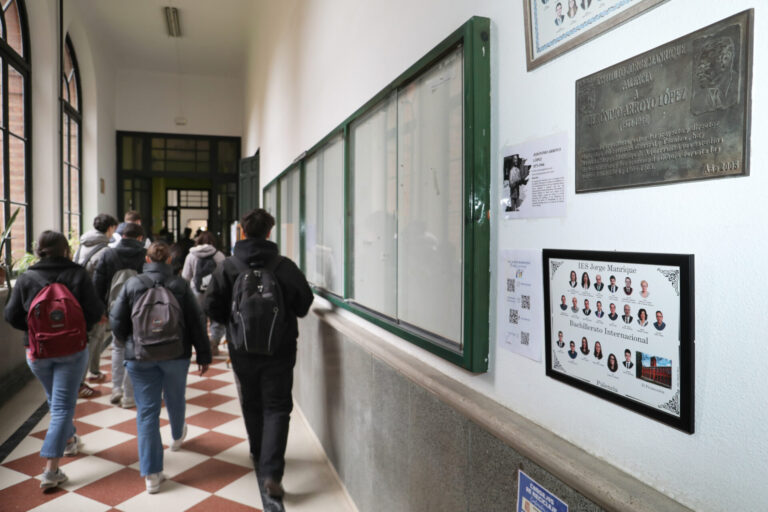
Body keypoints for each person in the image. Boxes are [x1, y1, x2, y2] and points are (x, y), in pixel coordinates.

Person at [204, 208, 314, 499]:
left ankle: (257, 450)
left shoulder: (228, 266)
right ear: (269, 232)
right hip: (280, 348)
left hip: (241, 348)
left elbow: (210, 305)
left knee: (251, 400)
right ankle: (272, 472)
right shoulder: (284, 266)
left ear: (242, 231)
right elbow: (304, 304)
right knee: (277, 406)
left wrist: (233, 324)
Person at [109, 241, 212, 494]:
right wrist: (204, 354)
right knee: (176, 397)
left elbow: (117, 320)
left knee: (147, 412)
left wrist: (129, 341)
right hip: (176, 354)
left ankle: (152, 475)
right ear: (169, 261)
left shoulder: (133, 284)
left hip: (140, 357)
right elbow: (197, 321)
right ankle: (177, 436)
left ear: (147, 260)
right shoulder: (180, 285)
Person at [4, 231, 104, 489]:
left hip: (37, 352)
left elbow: (11, 315)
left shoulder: (27, 277)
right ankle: (51, 470)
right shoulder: (78, 275)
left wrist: (35, 330)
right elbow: (95, 311)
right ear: (65, 249)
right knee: (61, 406)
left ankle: (69, 440)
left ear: (39, 249)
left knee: (56, 400)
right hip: (72, 350)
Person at [92, 222, 146, 408]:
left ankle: (116, 388)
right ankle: (130, 394)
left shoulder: (108, 254)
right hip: (140, 309)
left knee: (118, 347)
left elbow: (97, 285)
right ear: (140, 238)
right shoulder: (144, 254)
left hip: (115, 308)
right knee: (135, 349)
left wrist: (101, 311)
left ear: (122, 235)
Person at [73, 213, 118, 397]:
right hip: (95, 301)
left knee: (90, 338)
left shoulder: (81, 246)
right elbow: (107, 283)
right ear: (110, 228)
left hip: (78, 299)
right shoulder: (106, 251)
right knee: (93, 339)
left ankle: (93, 371)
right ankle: (80, 383)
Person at [182, 231, 227, 356]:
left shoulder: (191, 256)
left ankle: (202, 345)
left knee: (198, 319)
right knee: (216, 319)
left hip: (196, 293)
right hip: (215, 292)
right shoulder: (218, 255)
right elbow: (224, 275)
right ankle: (214, 343)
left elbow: (186, 276)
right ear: (213, 242)